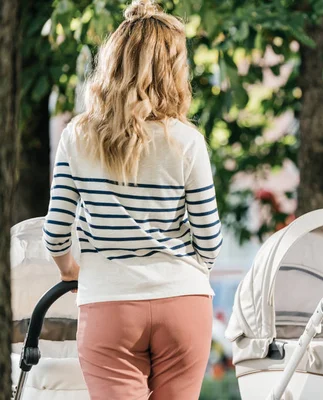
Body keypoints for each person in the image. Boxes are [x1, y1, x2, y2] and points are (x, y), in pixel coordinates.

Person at [42, 1, 223, 398]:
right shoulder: (187, 141)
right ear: (174, 71)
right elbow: (209, 240)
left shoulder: (78, 136)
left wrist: (70, 271)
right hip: (184, 302)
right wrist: (184, 273)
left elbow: (55, 234)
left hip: (109, 303)